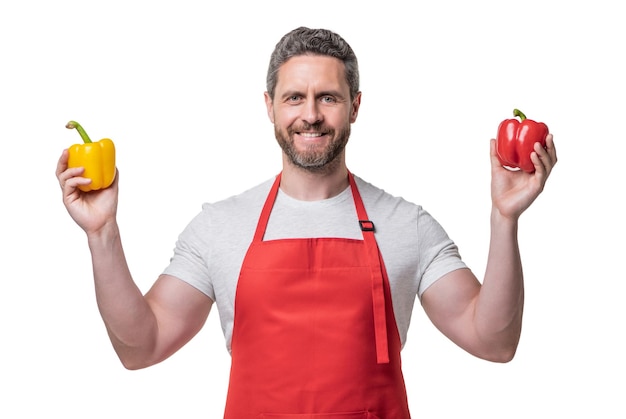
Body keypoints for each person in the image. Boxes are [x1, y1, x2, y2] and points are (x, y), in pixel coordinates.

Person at [56, 27, 557, 418]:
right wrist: (102, 233)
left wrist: (503, 219)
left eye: (329, 98)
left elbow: (494, 342)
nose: (310, 115)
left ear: (355, 107)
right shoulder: (219, 226)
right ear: (269, 107)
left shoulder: (408, 225)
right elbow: (141, 347)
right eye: (295, 97)